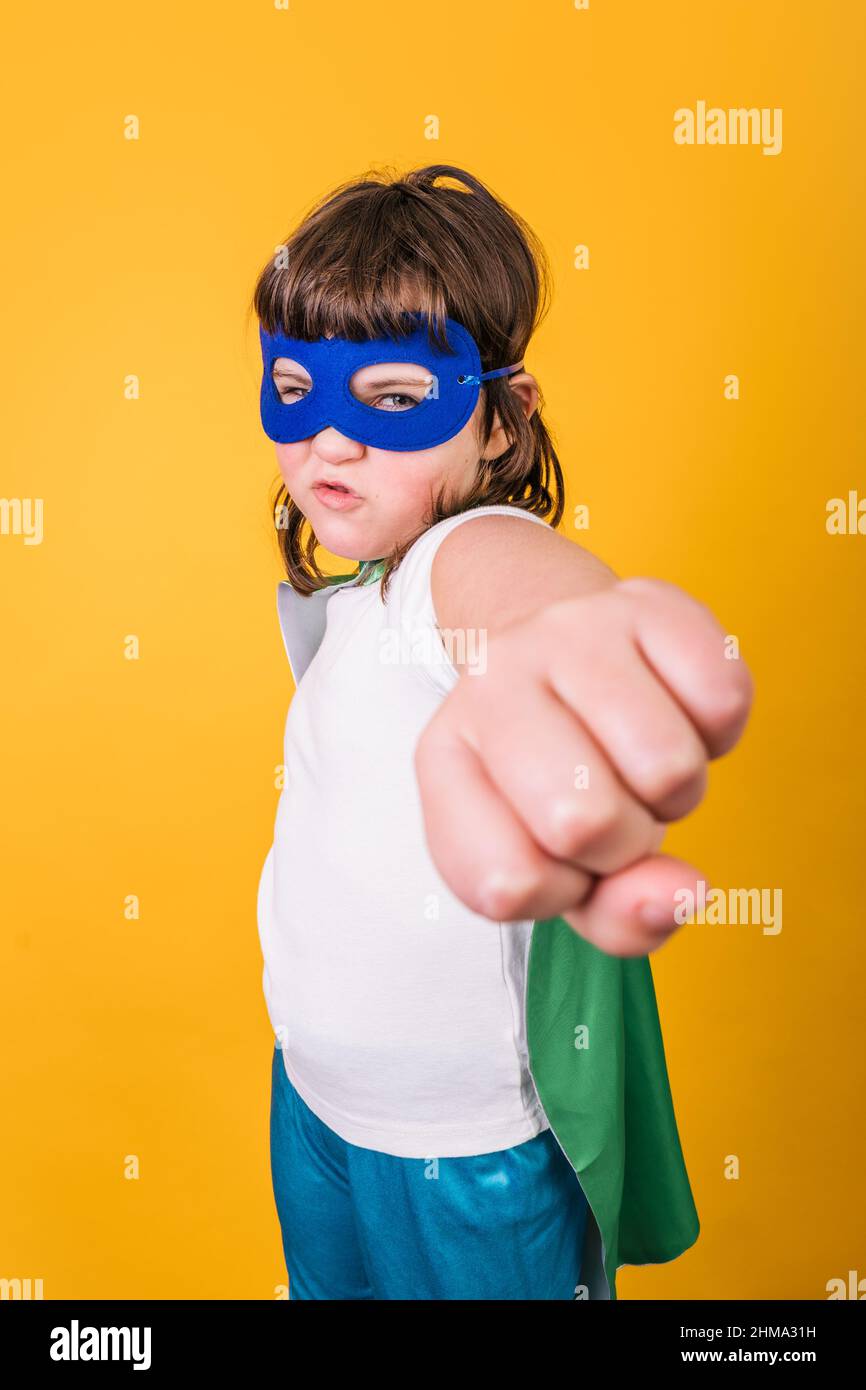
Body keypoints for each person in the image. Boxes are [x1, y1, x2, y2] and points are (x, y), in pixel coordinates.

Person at [249, 164, 753, 1300]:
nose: (329, 442)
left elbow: (517, 590)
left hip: (460, 1155)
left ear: (498, 423)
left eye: (390, 401)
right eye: (293, 388)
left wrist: (563, 648)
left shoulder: (445, 563)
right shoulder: (368, 592)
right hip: (317, 1108)